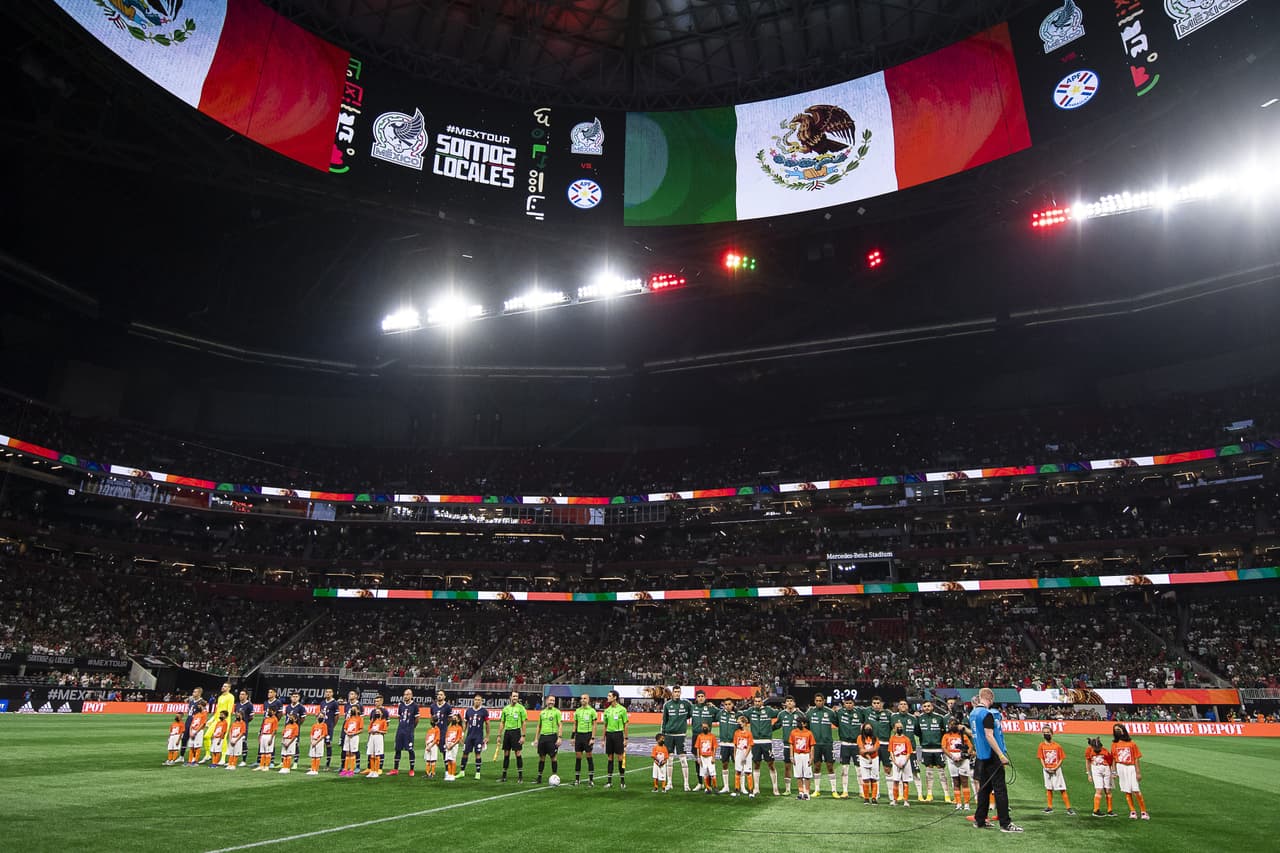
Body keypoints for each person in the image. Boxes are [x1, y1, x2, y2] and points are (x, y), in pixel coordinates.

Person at [969, 688, 1023, 832]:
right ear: (990, 698)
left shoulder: (973, 713)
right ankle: (1005, 824)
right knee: (1000, 790)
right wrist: (1001, 755)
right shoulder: (987, 714)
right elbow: (989, 735)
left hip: (981, 756)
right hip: (992, 755)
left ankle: (980, 820)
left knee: (984, 789)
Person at [1111, 724, 1149, 820]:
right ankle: (1132, 811)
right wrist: (1114, 771)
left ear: (1123, 730)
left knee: (1136, 790)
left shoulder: (1132, 744)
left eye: (1119, 729)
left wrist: (1138, 772)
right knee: (1126, 790)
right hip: (1121, 767)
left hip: (1131, 767)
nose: (1117, 731)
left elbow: (1136, 758)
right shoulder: (1114, 744)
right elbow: (1114, 759)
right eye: (1115, 730)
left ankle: (1143, 811)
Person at [916, 699, 950, 802]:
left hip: (938, 748)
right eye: (925, 706)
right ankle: (929, 794)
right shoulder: (919, 718)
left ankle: (947, 795)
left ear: (932, 707)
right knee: (928, 772)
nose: (927, 708)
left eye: (928, 706)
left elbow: (945, 732)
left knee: (941, 771)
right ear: (922, 708)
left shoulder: (940, 718)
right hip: (926, 749)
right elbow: (917, 732)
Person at [746, 695, 780, 796]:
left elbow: (780, 714)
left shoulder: (769, 710)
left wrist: (772, 728)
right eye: (756, 701)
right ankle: (756, 788)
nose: (757, 703)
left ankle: (775, 788)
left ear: (762, 702)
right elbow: (740, 715)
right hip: (755, 742)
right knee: (756, 764)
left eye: (759, 701)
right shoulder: (750, 711)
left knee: (771, 764)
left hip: (766, 742)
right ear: (753, 702)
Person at [660, 688, 693, 791]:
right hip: (669, 735)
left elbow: (692, 713)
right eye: (675, 692)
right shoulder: (667, 705)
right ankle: (669, 783)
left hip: (681, 735)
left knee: (683, 759)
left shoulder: (686, 703)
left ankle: (686, 784)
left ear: (680, 693)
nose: (677, 693)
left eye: (678, 692)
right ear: (672, 693)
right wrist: (662, 734)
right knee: (669, 759)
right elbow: (664, 720)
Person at [1037, 725, 1074, 814]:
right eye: (1044, 733)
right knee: (1049, 788)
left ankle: (1069, 808)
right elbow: (1041, 758)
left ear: (1052, 733)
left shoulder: (1057, 746)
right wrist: (1045, 768)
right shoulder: (1041, 745)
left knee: (1062, 788)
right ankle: (1049, 807)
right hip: (1046, 769)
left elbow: (1061, 758)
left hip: (1056, 770)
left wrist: (1055, 768)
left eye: (1048, 732)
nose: (1046, 734)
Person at [890, 699, 921, 800]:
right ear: (898, 706)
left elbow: (918, 732)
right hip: (898, 751)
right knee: (898, 773)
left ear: (908, 706)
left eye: (905, 704)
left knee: (916, 772)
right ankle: (900, 795)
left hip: (911, 750)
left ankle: (920, 794)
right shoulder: (893, 717)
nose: (903, 705)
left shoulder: (913, 718)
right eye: (901, 704)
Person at [807, 693, 837, 798]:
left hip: (827, 744)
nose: (819, 702)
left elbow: (837, 723)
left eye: (820, 700)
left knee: (830, 766)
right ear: (814, 701)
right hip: (815, 744)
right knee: (817, 766)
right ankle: (817, 790)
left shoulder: (830, 712)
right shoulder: (810, 713)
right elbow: (806, 727)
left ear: (824, 701)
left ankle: (834, 790)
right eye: (817, 701)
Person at [499, 690, 531, 784]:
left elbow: (524, 723)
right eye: (513, 696)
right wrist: (499, 735)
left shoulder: (521, 708)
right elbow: (502, 722)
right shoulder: (505, 709)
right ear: (510, 697)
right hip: (507, 732)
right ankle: (504, 776)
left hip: (516, 732)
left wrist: (523, 736)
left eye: (516, 696)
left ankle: (520, 777)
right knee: (506, 754)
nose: (515, 698)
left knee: (518, 754)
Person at [688, 690, 718, 791]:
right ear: (696, 698)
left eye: (702, 696)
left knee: (708, 761)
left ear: (705, 697)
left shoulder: (710, 708)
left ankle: (708, 785)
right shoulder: (692, 708)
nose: (700, 698)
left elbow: (720, 713)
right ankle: (700, 783)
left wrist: (714, 706)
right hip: (696, 736)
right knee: (698, 760)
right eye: (699, 696)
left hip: (707, 737)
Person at [943, 719, 974, 811]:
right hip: (952, 759)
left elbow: (970, 746)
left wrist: (964, 755)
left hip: (963, 760)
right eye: (950, 724)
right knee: (955, 781)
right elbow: (944, 747)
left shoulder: (963, 736)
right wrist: (952, 757)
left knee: (964, 781)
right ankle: (958, 803)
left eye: (953, 724)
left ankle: (967, 804)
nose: (951, 726)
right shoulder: (946, 736)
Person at [835, 696, 862, 799]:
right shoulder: (840, 713)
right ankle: (845, 791)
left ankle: (861, 791)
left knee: (859, 769)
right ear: (844, 704)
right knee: (844, 769)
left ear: (853, 703)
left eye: (850, 703)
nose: (849, 705)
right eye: (847, 703)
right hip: (845, 744)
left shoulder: (859, 712)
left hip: (856, 745)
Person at [775, 696, 802, 796]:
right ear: (785, 703)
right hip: (786, 745)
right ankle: (787, 789)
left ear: (794, 703)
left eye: (791, 701)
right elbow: (776, 726)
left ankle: (801, 788)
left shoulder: (800, 714)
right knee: (787, 766)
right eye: (787, 701)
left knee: (800, 767)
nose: (789, 703)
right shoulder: (781, 714)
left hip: (799, 745)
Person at [602, 690, 629, 790]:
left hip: (618, 734)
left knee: (620, 758)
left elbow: (626, 724)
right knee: (610, 758)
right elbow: (605, 725)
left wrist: (626, 738)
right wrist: (603, 739)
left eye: (609, 696)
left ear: (615, 697)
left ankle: (622, 781)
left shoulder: (622, 709)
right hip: (609, 735)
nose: (607, 697)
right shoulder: (607, 710)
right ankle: (609, 782)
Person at [460, 694, 490, 780]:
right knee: (465, 753)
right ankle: (462, 772)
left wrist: (487, 736)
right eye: (476, 699)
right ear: (473, 700)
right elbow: (465, 723)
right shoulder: (469, 711)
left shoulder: (484, 711)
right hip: (469, 736)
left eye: (479, 700)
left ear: (481, 701)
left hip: (478, 736)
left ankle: (477, 773)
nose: (477, 701)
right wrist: (462, 734)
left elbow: (487, 724)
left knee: (478, 753)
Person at [390, 689, 419, 776]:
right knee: (397, 749)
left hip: (409, 731)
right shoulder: (401, 705)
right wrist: (402, 725)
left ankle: (411, 770)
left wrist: (411, 727)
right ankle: (395, 769)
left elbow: (417, 719)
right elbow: (399, 717)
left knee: (410, 750)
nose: (405, 696)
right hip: (400, 730)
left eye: (407, 694)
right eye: (404, 694)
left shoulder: (415, 706)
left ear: (411, 695)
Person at [1085, 736, 1115, 817]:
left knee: (1108, 790)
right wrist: (1089, 774)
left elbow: (1111, 761)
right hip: (1096, 770)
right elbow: (1087, 762)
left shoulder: (1105, 751)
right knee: (1099, 789)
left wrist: (1113, 772)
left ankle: (1110, 810)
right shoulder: (1089, 750)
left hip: (1106, 770)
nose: (1098, 749)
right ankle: (1096, 810)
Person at [535, 697, 563, 785]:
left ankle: (554, 777)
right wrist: (536, 738)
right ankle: (539, 777)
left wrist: (559, 737)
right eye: (550, 700)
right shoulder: (542, 712)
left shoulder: (557, 712)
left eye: (553, 700)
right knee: (541, 757)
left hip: (552, 737)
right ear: (547, 701)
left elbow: (560, 725)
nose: (552, 702)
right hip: (543, 737)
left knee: (553, 757)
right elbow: (539, 726)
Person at [571, 693, 597, 787]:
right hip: (579, 736)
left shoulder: (592, 711)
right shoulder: (577, 711)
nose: (583, 700)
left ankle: (591, 780)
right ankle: (577, 780)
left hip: (587, 735)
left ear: (588, 700)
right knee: (578, 758)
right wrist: (572, 737)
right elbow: (575, 724)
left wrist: (592, 738)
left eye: (585, 698)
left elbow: (594, 725)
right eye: (581, 698)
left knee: (589, 757)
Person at [888, 721, 915, 806]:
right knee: (895, 780)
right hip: (896, 759)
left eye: (901, 727)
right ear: (894, 729)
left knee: (905, 781)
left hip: (905, 760)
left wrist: (904, 762)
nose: (900, 729)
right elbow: (891, 751)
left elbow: (909, 752)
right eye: (898, 727)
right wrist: (895, 762)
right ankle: (895, 800)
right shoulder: (892, 739)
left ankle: (906, 800)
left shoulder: (906, 739)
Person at [207, 683, 235, 763]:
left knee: (223, 738)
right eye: (223, 686)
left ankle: (223, 758)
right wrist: (211, 720)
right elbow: (217, 711)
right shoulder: (220, 697)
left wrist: (225, 721)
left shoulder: (230, 697)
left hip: (225, 720)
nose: (223, 687)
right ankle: (208, 755)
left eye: (225, 686)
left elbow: (229, 710)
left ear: (229, 688)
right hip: (217, 720)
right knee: (207, 736)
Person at [789, 715, 814, 800]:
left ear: (805, 724)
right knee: (798, 775)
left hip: (806, 755)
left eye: (800, 722)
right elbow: (791, 744)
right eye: (798, 722)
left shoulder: (809, 733)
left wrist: (811, 757)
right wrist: (791, 756)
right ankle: (801, 792)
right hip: (797, 755)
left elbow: (812, 746)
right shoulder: (793, 732)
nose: (798, 724)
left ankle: (807, 793)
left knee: (807, 775)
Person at [716, 699, 738, 794]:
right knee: (724, 764)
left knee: (737, 765)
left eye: (729, 704)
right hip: (724, 743)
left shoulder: (737, 714)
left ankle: (739, 786)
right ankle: (726, 786)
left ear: (733, 705)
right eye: (726, 704)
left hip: (734, 744)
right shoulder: (720, 713)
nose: (727, 706)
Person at [259, 689, 284, 768]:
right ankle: (260, 762)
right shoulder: (265, 702)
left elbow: (280, 713)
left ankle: (271, 761)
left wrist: (273, 721)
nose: (269, 693)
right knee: (262, 743)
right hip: (265, 723)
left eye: (271, 692)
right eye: (268, 692)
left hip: (271, 724)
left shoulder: (278, 702)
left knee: (270, 743)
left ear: (275, 693)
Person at [317, 689, 341, 771]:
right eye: (327, 692)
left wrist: (332, 725)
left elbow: (337, 716)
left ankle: (327, 764)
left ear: (332, 693)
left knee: (328, 744)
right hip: (321, 726)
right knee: (319, 744)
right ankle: (316, 763)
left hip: (329, 727)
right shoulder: (322, 703)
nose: (328, 693)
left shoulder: (334, 703)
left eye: (330, 692)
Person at [857, 723, 881, 804]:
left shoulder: (875, 738)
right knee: (865, 779)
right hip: (864, 759)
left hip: (874, 759)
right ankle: (866, 798)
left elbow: (875, 749)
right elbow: (861, 749)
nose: (868, 730)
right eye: (866, 728)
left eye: (869, 728)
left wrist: (866, 751)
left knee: (874, 778)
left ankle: (874, 798)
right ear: (863, 729)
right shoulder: (860, 737)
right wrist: (868, 757)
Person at [732, 715, 755, 797]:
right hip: (739, 752)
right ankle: (737, 790)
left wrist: (745, 755)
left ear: (744, 723)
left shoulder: (749, 733)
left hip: (746, 753)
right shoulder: (736, 733)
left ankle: (751, 791)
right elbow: (735, 745)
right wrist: (735, 755)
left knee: (748, 772)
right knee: (738, 771)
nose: (738, 724)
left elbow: (750, 745)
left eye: (739, 723)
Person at [338, 692, 360, 774]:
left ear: (356, 696)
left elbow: (360, 720)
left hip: (354, 731)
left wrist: (355, 731)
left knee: (354, 749)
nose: (350, 695)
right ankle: (344, 766)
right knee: (344, 747)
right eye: (349, 694)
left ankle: (356, 766)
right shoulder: (347, 705)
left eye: (352, 694)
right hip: (346, 728)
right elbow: (345, 717)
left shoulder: (359, 705)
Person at [694, 723, 718, 794]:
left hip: (710, 757)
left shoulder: (712, 736)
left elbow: (715, 747)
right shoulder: (699, 736)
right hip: (702, 758)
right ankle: (708, 788)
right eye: (703, 727)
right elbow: (698, 747)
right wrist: (698, 758)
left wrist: (713, 757)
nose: (704, 728)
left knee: (712, 773)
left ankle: (715, 787)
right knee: (705, 773)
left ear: (709, 728)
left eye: (706, 727)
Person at [341, 704, 365, 777]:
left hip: (354, 737)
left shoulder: (360, 719)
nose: (353, 710)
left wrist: (354, 733)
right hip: (347, 736)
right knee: (347, 752)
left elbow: (361, 729)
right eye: (352, 709)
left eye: (354, 709)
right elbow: (345, 728)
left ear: (358, 710)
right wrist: (347, 732)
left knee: (352, 753)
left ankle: (351, 769)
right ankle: (345, 769)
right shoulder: (349, 718)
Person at [365, 707, 387, 778]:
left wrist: (378, 731)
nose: (377, 713)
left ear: (382, 713)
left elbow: (385, 731)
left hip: (378, 737)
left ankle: (376, 771)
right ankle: (372, 771)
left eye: (378, 712)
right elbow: (368, 730)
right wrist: (371, 731)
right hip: (372, 736)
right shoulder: (373, 721)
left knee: (377, 755)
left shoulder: (383, 721)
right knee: (372, 754)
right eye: (376, 712)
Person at [444, 713, 464, 781]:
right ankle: (449, 774)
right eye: (453, 718)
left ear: (458, 720)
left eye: (455, 718)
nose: (453, 719)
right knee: (448, 760)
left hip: (454, 746)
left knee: (452, 760)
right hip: (448, 745)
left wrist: (452, 745)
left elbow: (458, 738)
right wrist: (447, 744)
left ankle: (452, 774)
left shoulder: (459, 728)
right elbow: (446, 736)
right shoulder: (450, 727)